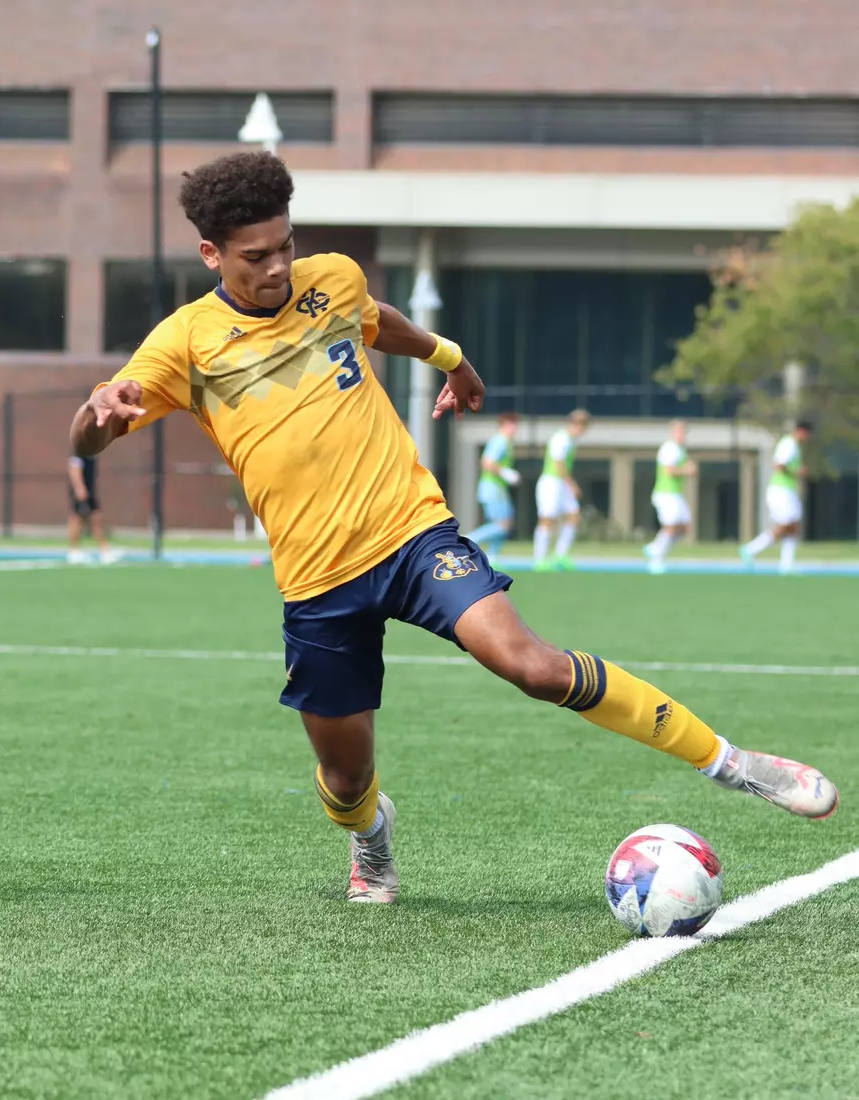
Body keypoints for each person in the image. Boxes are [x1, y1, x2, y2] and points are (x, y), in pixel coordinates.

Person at [69, 151, 836, 905]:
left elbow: (378, 323)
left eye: (286, 245)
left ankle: (732, 763)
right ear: (212, 254)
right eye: (256, 256)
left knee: (533, 666)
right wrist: (96, 414)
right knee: (345, 778)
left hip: (412, 534)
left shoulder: (333, 279)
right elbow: (91, 436)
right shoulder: (185, 343)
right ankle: (370, 835)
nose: (278, 267)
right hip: (318, 582)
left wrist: (451, 358)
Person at [741, 421, 811, 574]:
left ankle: (786, 564)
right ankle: (751, 549)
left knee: (793, 526)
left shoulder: (794, 446)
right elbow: (779, 465)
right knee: (784, 526)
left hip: (788, 491)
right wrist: (797, 472)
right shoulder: (789, 444)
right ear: (802, 431)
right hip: (781, 491)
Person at [533, 409, 589, 571]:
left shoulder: (570, 440)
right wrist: (572, 484)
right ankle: (539, 559)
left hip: (561, 484)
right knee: (547, 519)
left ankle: (560, 555)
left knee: (573, 515)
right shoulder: (561, 439)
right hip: (552, 482)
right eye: (578, 425)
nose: (580, 429)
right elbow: (559, 464)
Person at [464, 411, 520, 559]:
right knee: (502, 525)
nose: (515, 428)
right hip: (493, 488)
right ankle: (469, 540)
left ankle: (492, 555)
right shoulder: (500, 441)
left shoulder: (506, 442)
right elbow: (487, 462)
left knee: (503, 524)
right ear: (504, 424)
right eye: (513, 424)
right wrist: (506, 473)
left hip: (497, 488)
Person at [644, 420, 696, 574]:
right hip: (666, 493)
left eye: (683, 432)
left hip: (676, 494)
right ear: (673, 432)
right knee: (671, 526)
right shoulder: (670, 448)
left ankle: (656, 547)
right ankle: (656, 559)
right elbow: (669, 470)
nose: (681, 435)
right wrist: (687, 470)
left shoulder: (680, 449)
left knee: (684, 527)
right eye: (679, 431)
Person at [66, 453, 118, 564]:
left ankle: (105, 550)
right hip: (81, 492)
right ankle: (74, 551)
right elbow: (74, 469)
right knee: (77, 519)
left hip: (90, 492)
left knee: (96, 518)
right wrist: (79, 488)